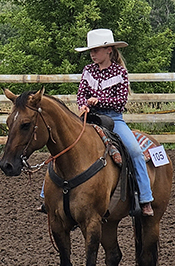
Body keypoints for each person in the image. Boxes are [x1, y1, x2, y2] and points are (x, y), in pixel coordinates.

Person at [39, 28, 154, 217]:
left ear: (109, 50)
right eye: (91, 51)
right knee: (61, 146)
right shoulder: (88, 71)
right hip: (89, 118)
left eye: (96, 50)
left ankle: (145, 198)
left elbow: (120, 101)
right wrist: (84, 105)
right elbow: (81, 94)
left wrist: (99, 101)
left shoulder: (120, 72)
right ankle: (47, 196)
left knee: (135, 151)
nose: (92, 54)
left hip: (113, 119)